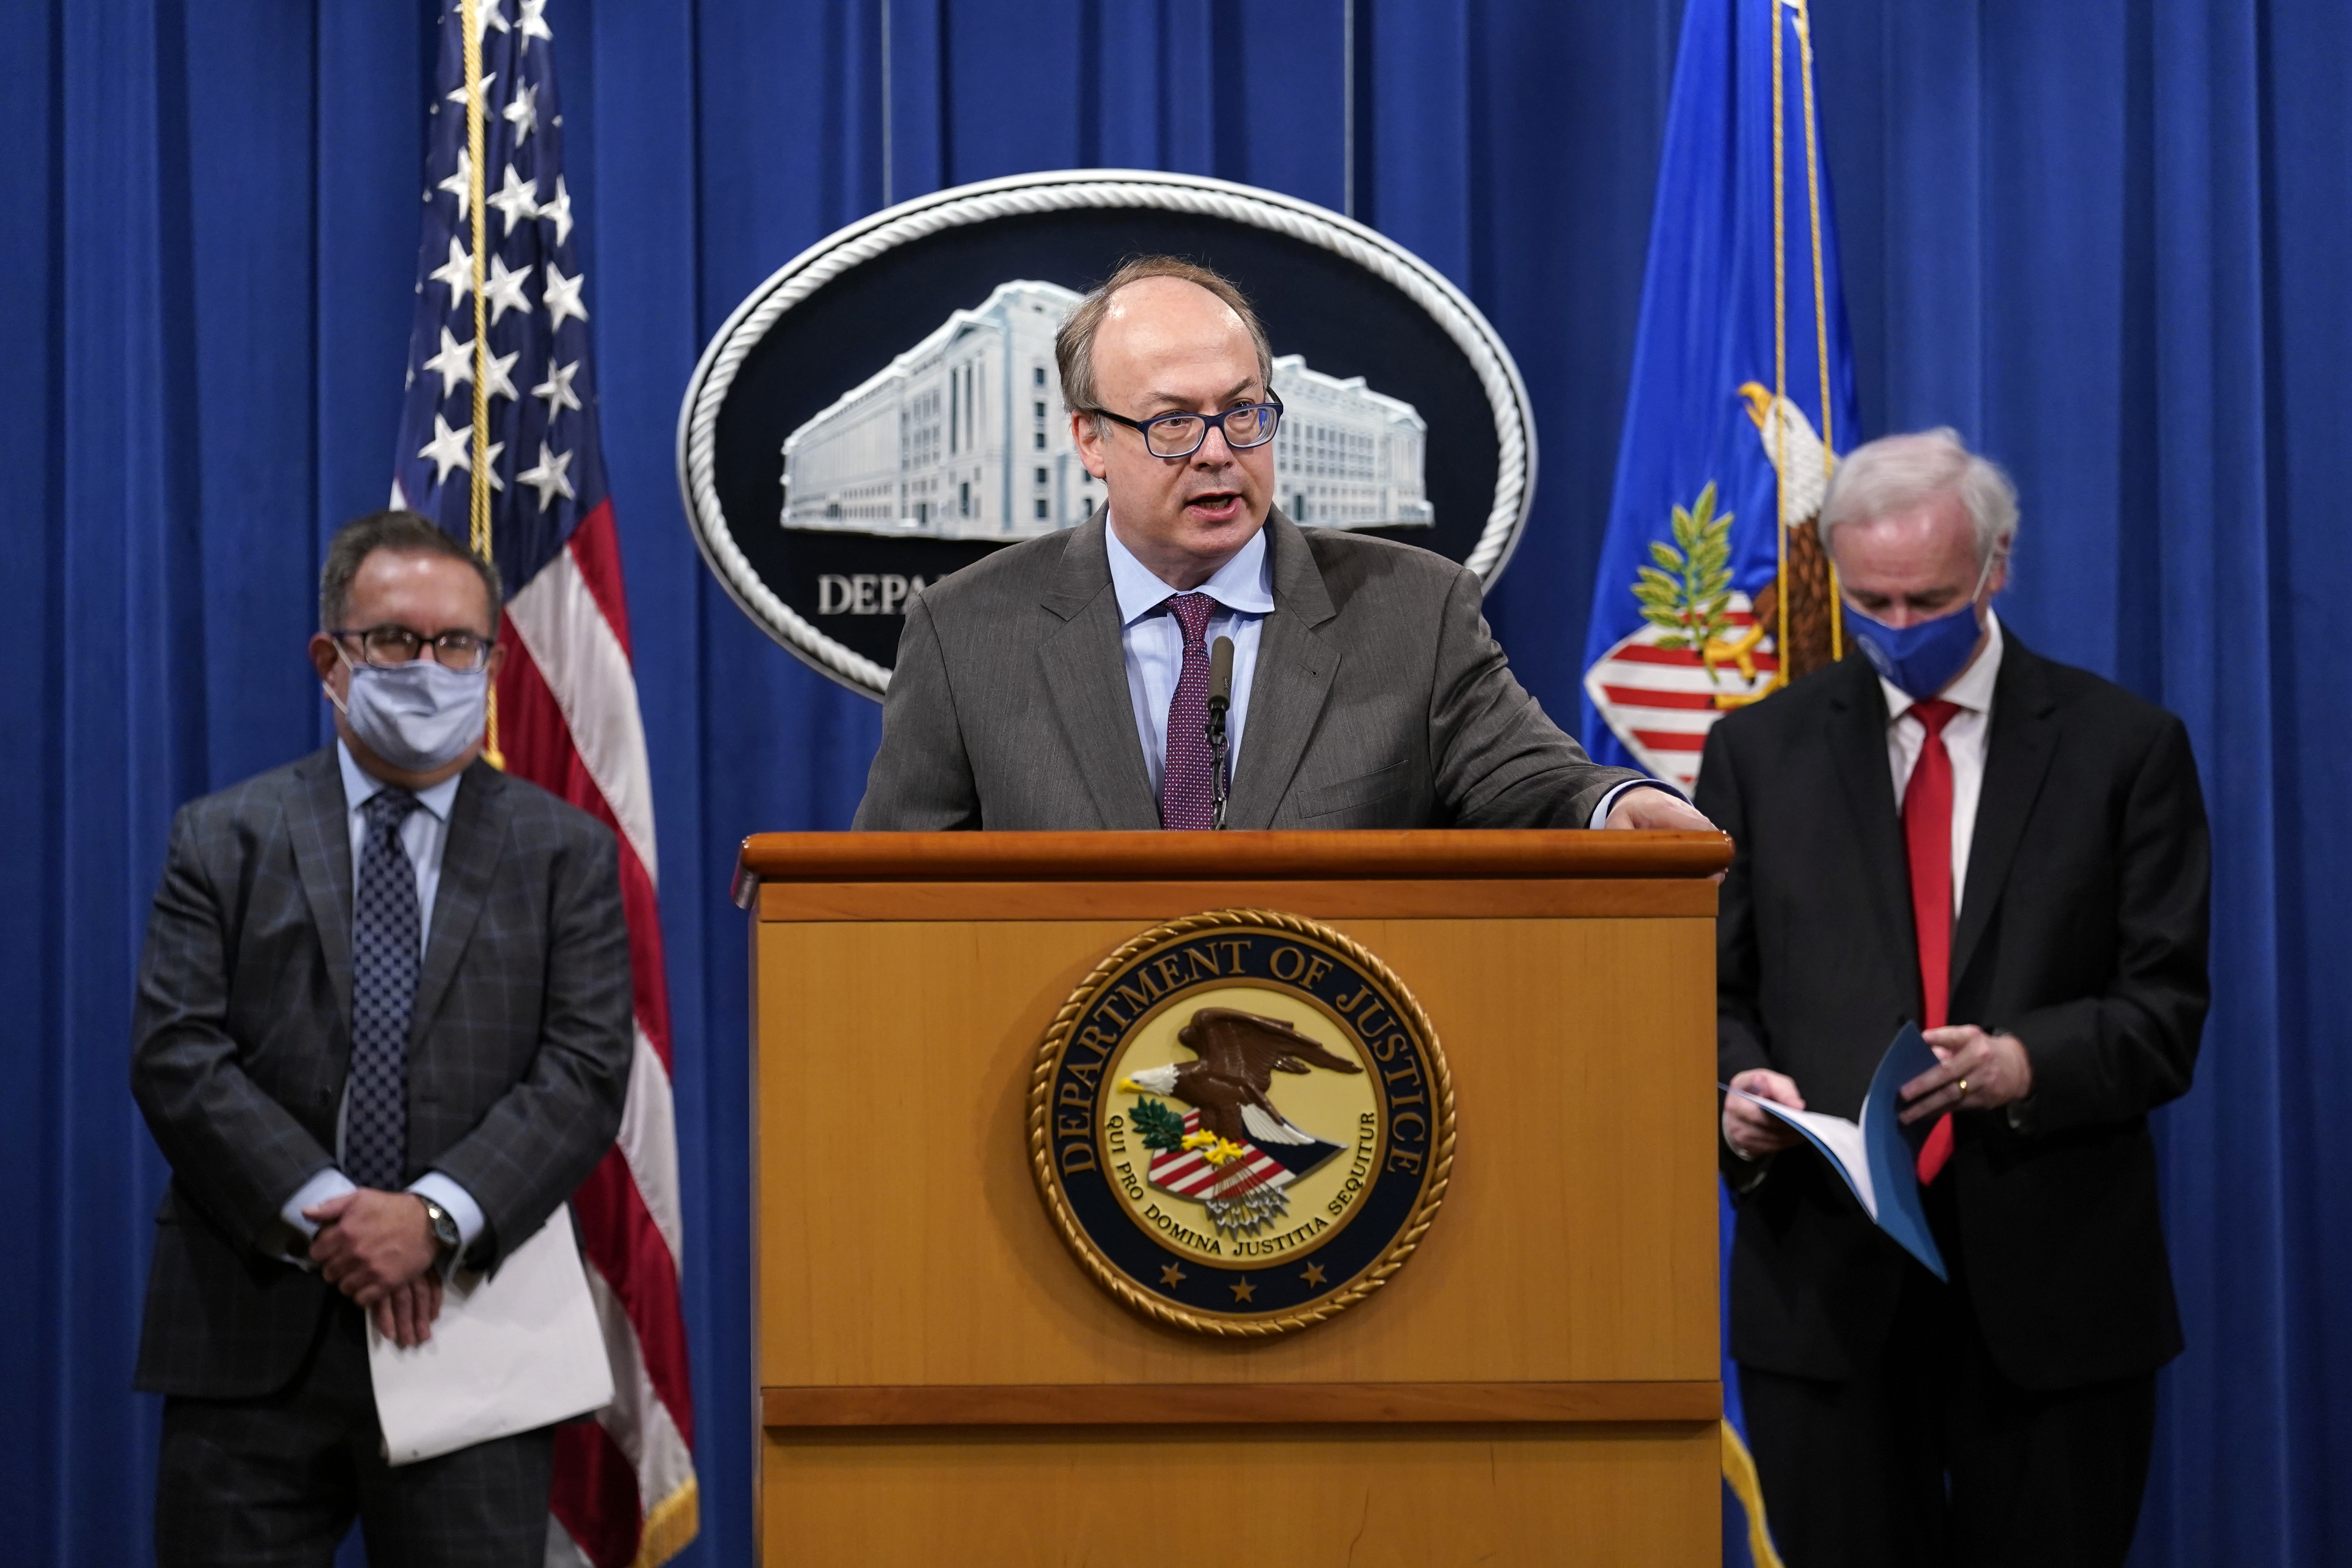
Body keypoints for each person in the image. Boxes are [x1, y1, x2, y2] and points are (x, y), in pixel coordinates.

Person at [1699, 430, 2210, 1567]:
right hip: (1828, 1302)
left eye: (1927, 598)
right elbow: (1709, 997)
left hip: (2055, 1296)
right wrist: (1734, 1090)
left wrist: (2032, 1062)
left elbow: (2165, 1011)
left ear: (1998, 567)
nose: (1896, 625)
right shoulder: (1757, 753)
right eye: (1868, 599)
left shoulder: (2125, 750)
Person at [130, 511, 634, 1566]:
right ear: (332, 659)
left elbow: (584, 1073)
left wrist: (433, 1219)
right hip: (250, 1333)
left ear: (492, 660)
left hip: (473, 1334)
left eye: (458, 644)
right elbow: (178, 1056)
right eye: (395, 641)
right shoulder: (223, 836)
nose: (430, 666)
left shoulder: (566, 853)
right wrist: (340, 1217)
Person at [853, 256, 1716, 835]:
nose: (1219, 449)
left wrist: (1617, 802)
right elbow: (895, 894)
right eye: (1173, 422)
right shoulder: (967, 633)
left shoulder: (1414, 611)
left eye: (1242, 410)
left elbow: (1535, 780)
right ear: (1089, 440)